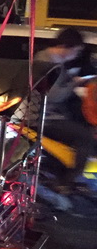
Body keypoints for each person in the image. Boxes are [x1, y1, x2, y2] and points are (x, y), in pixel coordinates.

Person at [36, 28, 94, 185]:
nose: (76, 55)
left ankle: (61, 175)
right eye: (76, 50)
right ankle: (67, 181)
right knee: (84, 136)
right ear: (65, 47)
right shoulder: (46, 62)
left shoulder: (55, 62)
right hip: (43, 117)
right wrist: (73, 84)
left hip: (52, 114)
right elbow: (54, 95)